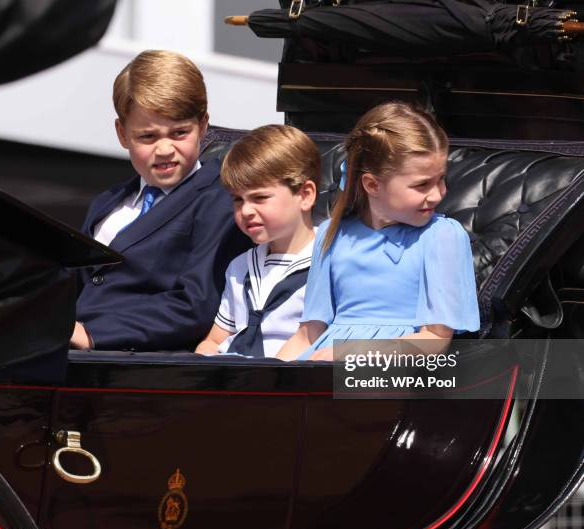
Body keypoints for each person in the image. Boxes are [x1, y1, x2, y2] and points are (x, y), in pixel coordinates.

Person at [71, 50, 249, 351]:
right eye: (148, 137)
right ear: (122, 133)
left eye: (179, 133)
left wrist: (92, 334)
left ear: (203, 126)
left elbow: (196, 303)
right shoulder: (108, 202)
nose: (165, 149)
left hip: (139, 362)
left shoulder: (222, 199)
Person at [277, 101, 480, 361]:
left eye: (441, 179)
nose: (438, 193)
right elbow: (309, 333)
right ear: (372, 184)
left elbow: (437, 338)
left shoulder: (442, 235)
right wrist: (272, 378)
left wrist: (351, 354)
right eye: (422, 185)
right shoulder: (332, 234)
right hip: (323, 367)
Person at [195, 125, 319, 358]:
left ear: (305, 195)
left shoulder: (330, 262)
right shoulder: (239, 267)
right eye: (238, 200)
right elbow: (215, 340)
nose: (246, 210)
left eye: (260, 198)